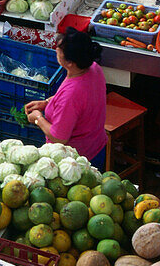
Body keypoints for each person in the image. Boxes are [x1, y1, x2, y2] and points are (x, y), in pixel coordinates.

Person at [25, 28, 107, 167]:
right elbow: (81, 104)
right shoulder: (93, 68)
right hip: (96, 146)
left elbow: (59, 137)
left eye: (59, 49)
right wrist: (48, 103)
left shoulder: (72, 94)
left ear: (70, 62)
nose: (56, 48)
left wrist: (38, 118)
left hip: (75, 162)